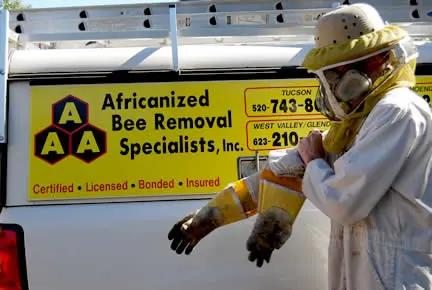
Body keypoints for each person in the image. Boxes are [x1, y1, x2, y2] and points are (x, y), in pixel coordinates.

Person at [168, 3, 432, 289]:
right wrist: (209, 218)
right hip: (370, 273)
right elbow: (282, 173)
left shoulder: (397, 112)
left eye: (336, 75)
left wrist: (315, 161)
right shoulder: (359, 123)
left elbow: (345, 203)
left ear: (364, 68)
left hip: (396, 277)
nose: (334, 87)